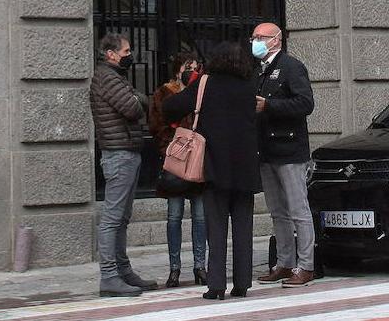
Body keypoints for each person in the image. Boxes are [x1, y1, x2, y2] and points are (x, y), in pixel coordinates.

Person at [163, 42, 260, 300]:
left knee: (215, 227)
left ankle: (216, 285)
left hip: (215, 165)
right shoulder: (248, 86)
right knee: (243, 227)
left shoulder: (206, 84)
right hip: (245, 166)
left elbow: (170, 108)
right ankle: (242, 284)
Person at [89, 33, 157, 297]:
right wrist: (137, 98)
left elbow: (140, 101)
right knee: (112, 218)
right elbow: (133, 107)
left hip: (126, 152)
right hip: (119, 154)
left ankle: (122, 271)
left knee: (122, 218)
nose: (130, 55)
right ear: (111, 54)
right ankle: (109, 276)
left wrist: (137, 98)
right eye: (126, 51)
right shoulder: (107, 77)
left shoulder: (114, 77)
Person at [252, 22, 316, 288]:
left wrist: (269, 105)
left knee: (298, 210)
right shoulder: (260, 71)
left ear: (276, 40)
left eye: (260, 37)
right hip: (267, 150)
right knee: (278, 212)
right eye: (253, 36)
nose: (254, 41)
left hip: (290, 150)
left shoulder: (291, 67)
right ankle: (284, 263)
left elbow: (305, 103)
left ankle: (306, 265)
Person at [148, 52, 207, 288]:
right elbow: (156, 126)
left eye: (196, 67)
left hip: (199, 161)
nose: (192, 70)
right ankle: (175, 269)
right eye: (187, 67)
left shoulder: (202, 92)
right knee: (174, 216)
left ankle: (200, 266)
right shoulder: (164, 93)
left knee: (200, 217)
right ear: (177, 70)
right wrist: (171, 149)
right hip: (175, 161)